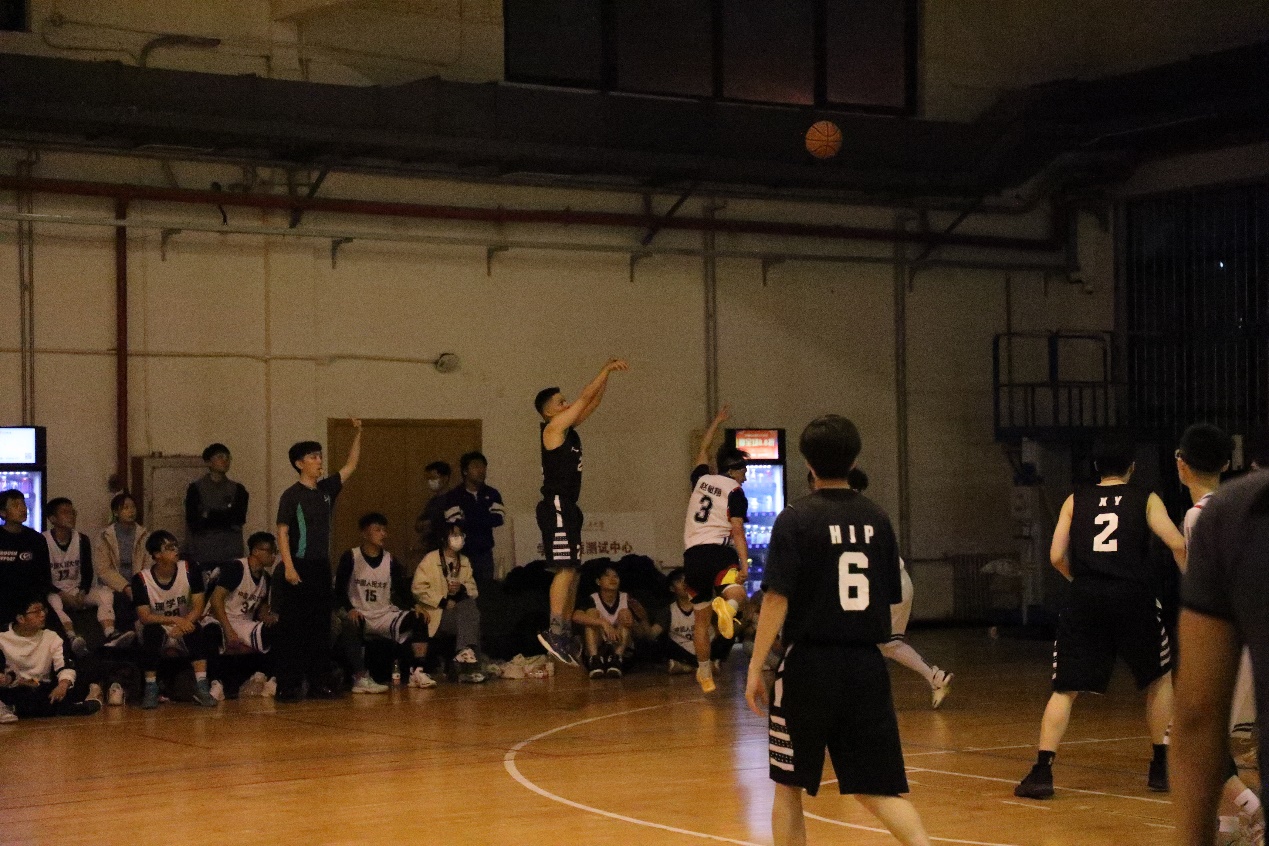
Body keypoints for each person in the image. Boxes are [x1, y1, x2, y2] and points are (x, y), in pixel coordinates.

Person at [745, 414, 930, 846]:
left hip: (809, 666)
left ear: (808, 463)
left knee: (788, 785)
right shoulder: (877, 517)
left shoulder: (795, 518)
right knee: (877, 788)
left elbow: (775, 599)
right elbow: (891, 592)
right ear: (854, 460)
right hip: (866, 666)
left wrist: (755, 667)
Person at [1014, 437, 1187, 800]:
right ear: (1132, 467)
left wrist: (1081, 582)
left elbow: (1056, 556)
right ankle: (1162, 767)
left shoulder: (1075, 500)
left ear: (1095, 467)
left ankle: (1042, 771)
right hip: (1134, 596)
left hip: (1086, 597)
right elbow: (1176, 542)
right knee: (1158, 677)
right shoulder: (1146, 498)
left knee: (1065, 688)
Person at [1174, 424, 1263, 846]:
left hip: (1232, 643)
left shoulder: (1205, 516)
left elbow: (1205, 592)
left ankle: (1251, 809)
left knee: (1194, 735)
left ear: (1181, 464)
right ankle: (1229, 824)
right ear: (1228, 463)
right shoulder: (1231, 510)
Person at [534, 358, 629, 665]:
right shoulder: (553, 429)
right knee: (564, 569)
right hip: (556, 505)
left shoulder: (569, 429)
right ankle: (554, 630)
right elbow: (585, 396)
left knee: (573, 571)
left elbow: (593, 402)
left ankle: (563, 632)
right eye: (561, 402)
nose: (567, 404)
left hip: (570, 506)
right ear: (549, 412)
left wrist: (608, 378)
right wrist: (604, 369)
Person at [843, 469, 952, 709]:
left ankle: (859, 696)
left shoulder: (850, 513)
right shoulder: (870, 511)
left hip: (884, 585)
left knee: (866, 642)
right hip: (892, 582)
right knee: (887, 644)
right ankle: (935, 676)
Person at [274, 419, 362, 701]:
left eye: (320, 456)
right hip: (297, 566)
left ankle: (318, 682)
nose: (319, 461)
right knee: (294, 628)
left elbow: (350, 466)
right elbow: (282, 531)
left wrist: (358, 434)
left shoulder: (325, 491)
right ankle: (288, 685)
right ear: (299, 463)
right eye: (313, 457)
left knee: (320, 627)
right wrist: (288, 567)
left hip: (320, 567)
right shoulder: (291, 495)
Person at [682, 403, 749, 693]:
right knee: (738, 594)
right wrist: (744, 564)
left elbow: (703, 449)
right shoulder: (736, 492)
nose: (745, 476)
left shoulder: (701, 479)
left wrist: (716, 422)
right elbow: (737, 530)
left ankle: (705, 674)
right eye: (744, 470)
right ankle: (728, 609)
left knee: (700, 621)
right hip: (719, 554)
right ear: (733, 471)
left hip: (692, 557)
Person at [334, 513, 427, 694]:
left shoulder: (390, 560)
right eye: (377, 530)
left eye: (384, 530)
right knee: (351, 624)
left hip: (384, 614)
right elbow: (339, 590)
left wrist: (415, 606)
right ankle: (360, 677)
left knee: (419, 618)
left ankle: (418, 672)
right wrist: (350, 609)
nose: (383, 534)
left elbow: (401, 589)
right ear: (364, 533)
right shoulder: (351, 556)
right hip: (361, 614)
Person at [132, 530, 217, 709]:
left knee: (196, 630)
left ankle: (202, 686)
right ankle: (151, 687)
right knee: (151, 633)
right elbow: (145, 617)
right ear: (157, 554)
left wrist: (185, 622)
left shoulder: (190, 569)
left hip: (185, 621)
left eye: (175, 546)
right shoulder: (141, 579)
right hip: (159, 624)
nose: (176, 550)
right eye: (169, 548)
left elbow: (198, 606)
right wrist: (176, 621)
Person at [202, 531, 279, 701]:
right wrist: (229, 630)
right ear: (256, 551)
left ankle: (267, 676)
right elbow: (216, 600)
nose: (274, 556)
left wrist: (266, 616)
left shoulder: (266, 578)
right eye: (271, 551)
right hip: (219, 617)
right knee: (211, 633)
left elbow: (261, 606)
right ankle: (215, 682)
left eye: (276, 552)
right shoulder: (236, 568)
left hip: (244, 622)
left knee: (276, 630)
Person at [0, 596, 102, 721]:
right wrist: (9, 679)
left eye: (43, 610)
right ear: (21, 618)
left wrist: (63, 685)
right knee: (23, 695)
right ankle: (69, 708)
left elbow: (64, 665)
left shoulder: (51, 637)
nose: (42, 614)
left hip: (40, 685)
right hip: (12, 685)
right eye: (36, 611)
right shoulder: (2, 636)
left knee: (77, 676)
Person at [412, 522, 484, 683]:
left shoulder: (464, 561)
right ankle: (469, 665)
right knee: (471, 616)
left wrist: (461, 588)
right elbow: (418, 589)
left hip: (458, 612)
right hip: (436, 614)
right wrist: (443, 602)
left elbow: (473, 591)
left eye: (461, 535)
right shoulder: (431, 559)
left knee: (470, 609)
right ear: (445, 538)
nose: (459, 538)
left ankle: (465, 653)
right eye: (454, 535)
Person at [0, 489, 69, 643]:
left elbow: (43, 576)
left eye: (23, 504)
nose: (22, 508)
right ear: (3, 513)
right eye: (16, 505)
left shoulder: (36, 539)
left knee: (56, 634)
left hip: (30, 598)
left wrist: (38, 601)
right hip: (3, 598)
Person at [437, 451, 505, 588]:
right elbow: (454, 522)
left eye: (483, 467)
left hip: (485, 553)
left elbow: (498, 519)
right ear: (465, 471)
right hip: (461, 554)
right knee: (462, 591)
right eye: (476, 466)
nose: (481, 471)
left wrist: (468, 517)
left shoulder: (492, 493)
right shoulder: (454, 495)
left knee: (486, 591)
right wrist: (483, 517)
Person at [42, 497, 99, 655]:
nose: (71, 516)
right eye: (65, 512)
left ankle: (111, 633)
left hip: (76, 589)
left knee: (106, 595)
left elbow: (87, 571)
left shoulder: (82, 539)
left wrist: (82, 590)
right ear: (52, 519)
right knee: (54, 602)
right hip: (55, 591)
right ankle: (72, 636)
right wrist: (62, 594)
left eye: (73, 512)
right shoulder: (43, 540)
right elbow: (42, 577)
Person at [572, 563, 649, 679]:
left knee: (625, 613)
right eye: (607, 576)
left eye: (616, 576)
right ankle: (594, 659)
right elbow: (576, 616)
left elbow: (643, 633)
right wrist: (603, 623)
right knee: (592, 613)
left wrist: (634, 622)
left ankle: (617, 658)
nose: (612, 579)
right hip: (600, 648)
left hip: (621, 650)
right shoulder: (592, 598)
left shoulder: (627, 598)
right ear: (598, 581)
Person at [92, 492, 150, 641]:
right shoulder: (105, 536)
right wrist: (125, 587)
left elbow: (148, 564)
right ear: (116, 512)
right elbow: (103, 569)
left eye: (133, 507)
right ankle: (122, 636)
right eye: (125, 508)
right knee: (120, 600)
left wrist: (139, 585)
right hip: (113, 585)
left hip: (138, 582)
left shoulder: (144, 535)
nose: (131, 511)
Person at [184, 442, 249, 564]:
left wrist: (207, 514)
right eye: (220, 457)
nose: (225, 461)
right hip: (203, 552)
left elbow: (238, 518)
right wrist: (225, 516)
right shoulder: (195, 489)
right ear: (208, 462)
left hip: (231, 553)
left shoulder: (238, 489)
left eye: (228, 457)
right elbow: (193, 521)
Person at [660, 567, 730, 674]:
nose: (684, 584)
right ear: (672, 588)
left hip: (707, 647)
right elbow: (654, 633)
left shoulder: (708, 605)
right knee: (661, 641)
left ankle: (687, 667)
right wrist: (643, 621)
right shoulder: (669, 610)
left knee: (727, 636)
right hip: (683, 650)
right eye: (679, 581)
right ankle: (706, 667)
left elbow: (721, 629)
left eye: (686, 580)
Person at [414, 461, 453, 552]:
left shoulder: (453, 499)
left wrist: (432, 523)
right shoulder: (432, 502)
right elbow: (419, 524)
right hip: (432, 548)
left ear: (445, 478)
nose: (430, 482)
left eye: (433, 478)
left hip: (448, 548)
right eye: (428, 479)